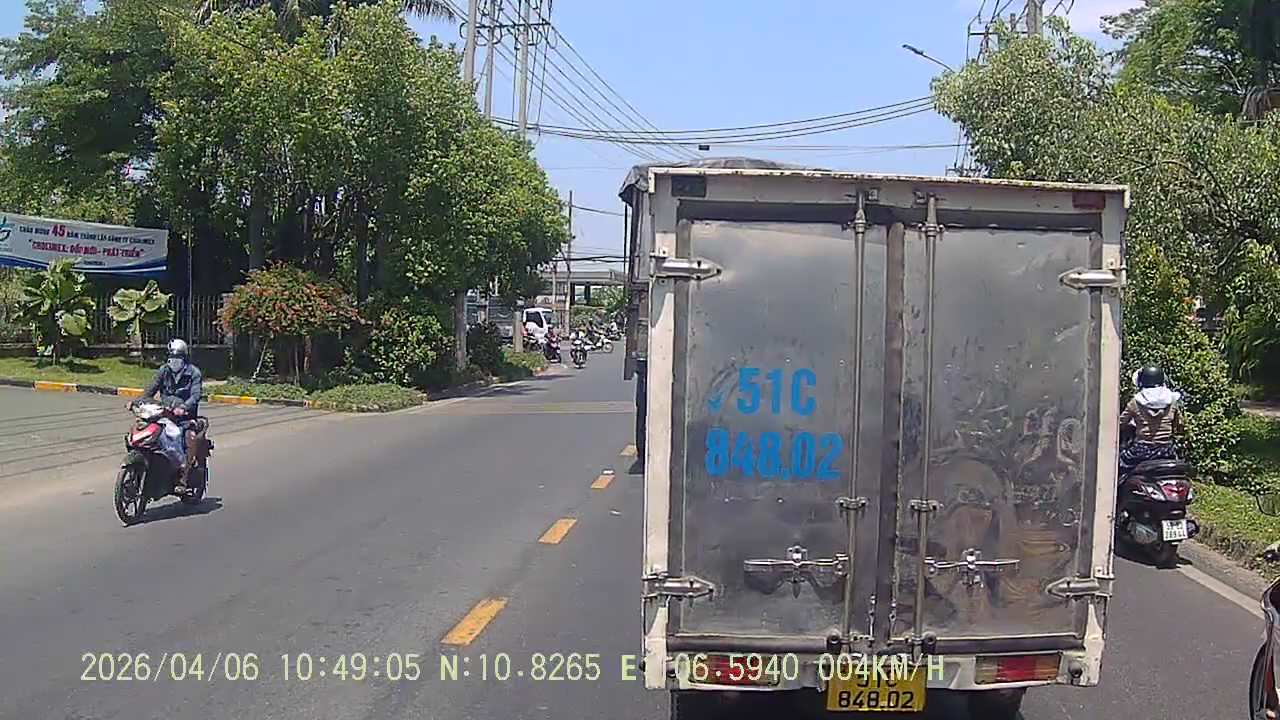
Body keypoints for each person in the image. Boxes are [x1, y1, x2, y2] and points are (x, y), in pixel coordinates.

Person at [139, 339, 203, 486]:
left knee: (189, 437)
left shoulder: (194, 373)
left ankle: (184, 476)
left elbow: (196, 395)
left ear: (184, 358)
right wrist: (138, 402)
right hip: (164, 415)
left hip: (185, 418)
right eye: (171, 357)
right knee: (147, 432)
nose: (174, 361)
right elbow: (150, 389)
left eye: (178, 357)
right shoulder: (164, 370)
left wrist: (184, 407)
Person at [1118, 365, 1184, 477]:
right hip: (1166, 451)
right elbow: (1179, 425)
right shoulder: (1172, 402)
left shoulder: (1135, 402)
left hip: (1141, 451)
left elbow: (1120, 424)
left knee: (1119, 466)